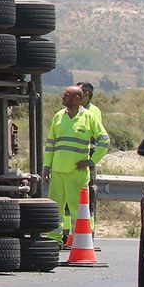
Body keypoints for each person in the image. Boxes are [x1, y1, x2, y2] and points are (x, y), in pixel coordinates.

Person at [44, 85, 110, 243]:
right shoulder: (58, 116)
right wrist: (47, 166)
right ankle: (54, 240)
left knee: (78, 210)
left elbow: (104, 140)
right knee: (55, 209)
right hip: (58, 171)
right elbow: (51, 143)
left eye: (67, 95)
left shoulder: (88, 117)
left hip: (77, 174)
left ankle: (81, 242)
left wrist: (91, 161)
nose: (63, 97)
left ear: (78, 99)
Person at [78, 82, 104, 215]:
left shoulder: (93, 112)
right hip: (75, 159)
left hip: (88, 156)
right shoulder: (73, 109)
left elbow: (96, 136)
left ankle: (89, 225)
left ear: (87, 95)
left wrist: (91, 161)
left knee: (88, 191)